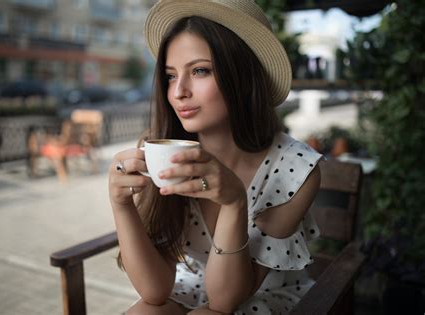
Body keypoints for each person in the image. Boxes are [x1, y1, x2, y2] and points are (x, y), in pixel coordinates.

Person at [108, 1, 323, 314]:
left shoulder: (294, 170)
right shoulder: (163, 152)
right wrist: (122, 206)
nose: (178, 91)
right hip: (194, 288)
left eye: (199, 71)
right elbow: (154, 291)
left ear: (243, 75)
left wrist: (235, 203)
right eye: (170, 75)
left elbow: (226, 302)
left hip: (262, 298)